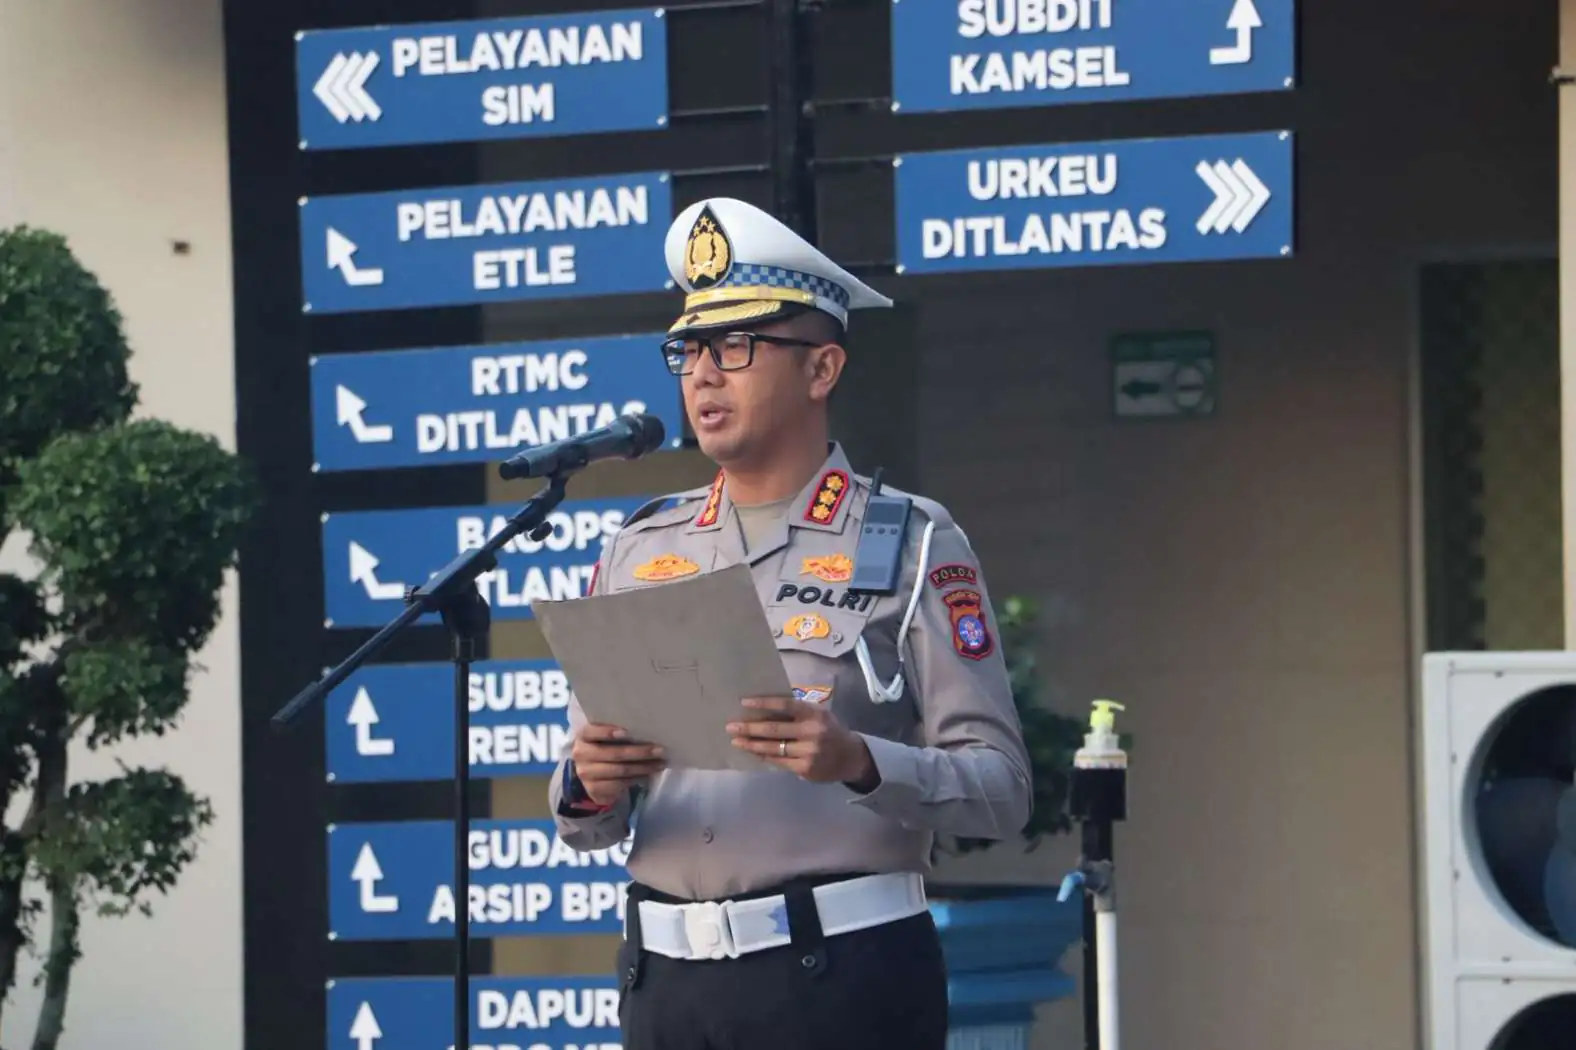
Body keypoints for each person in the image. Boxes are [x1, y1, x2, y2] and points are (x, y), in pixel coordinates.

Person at [548, 196, 1032, 1050]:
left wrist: (859, 762)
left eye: (736, 345)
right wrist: (588, 781)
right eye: (689, 349)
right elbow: (585, 819)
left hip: (837, 974)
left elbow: (1001, 790)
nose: (703, 375)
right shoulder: (640, 546)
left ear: (822, 370)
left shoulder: (911, 538)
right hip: (664, 982)